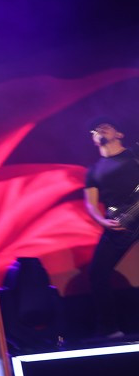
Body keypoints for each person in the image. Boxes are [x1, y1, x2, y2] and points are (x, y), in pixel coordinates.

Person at [83, 120, 139, 338]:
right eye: (95, 129)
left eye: (105, 126)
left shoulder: (134, 152)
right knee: (97, 273)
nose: (100, 129)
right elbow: (91, 203)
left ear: (120, 133)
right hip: (118, 225)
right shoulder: (94, 170)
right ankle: (110, 329)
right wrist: (102, 221)